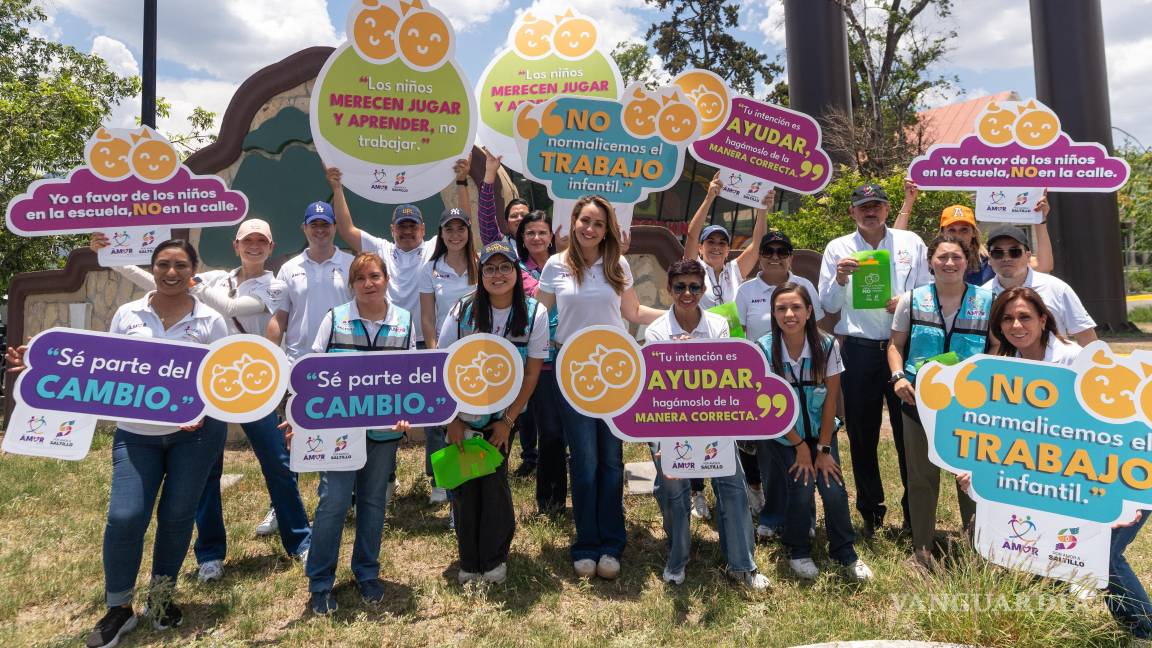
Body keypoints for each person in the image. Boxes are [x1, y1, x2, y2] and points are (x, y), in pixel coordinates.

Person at [12, 240, 230, 648]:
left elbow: (220, 382)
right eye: (163, 264)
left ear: (193, 271)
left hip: (196, 437)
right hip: (136, 436)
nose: (171, 272)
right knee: (126, 516)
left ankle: (162, 599)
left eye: (180, 265)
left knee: (178, 516)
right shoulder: (128, 314)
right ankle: (118, 608)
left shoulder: (210, 321)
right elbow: (104, 366)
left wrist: (202, 410)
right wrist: (44, 362)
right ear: (153, 268)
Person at [93, 220, 312, 582]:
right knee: (206, 475)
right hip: (208, 388)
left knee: (278, 465)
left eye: (261, 241)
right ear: (236, 245)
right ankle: (210, 553)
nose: (254, 246)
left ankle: (300, 541)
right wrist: (113, 259)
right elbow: (161, 283)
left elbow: (230, 308)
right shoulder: (214, 278)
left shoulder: (275, 286)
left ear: (271, 247)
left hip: (253, 388)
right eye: (247, 241)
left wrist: (190, 280)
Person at [536, 195, 662, 579]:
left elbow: (634, 314)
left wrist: (683, 319)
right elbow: (539, 316)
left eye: (598, 224)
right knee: (585, 461)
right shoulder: (555, 266)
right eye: (585, 221)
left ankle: (612, 543)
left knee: (611, 460)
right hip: (571, 372)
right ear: (573, 221)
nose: (590, 228)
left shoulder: (617, 263)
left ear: (607, 231)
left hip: (615, 374)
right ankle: (586, 543)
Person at [645, 259, 770, 590]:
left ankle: (743, 564)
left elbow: (727, 375)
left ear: (703, 289)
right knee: (673, 487)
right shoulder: (657, 330)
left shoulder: (718, 325)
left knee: (733, 484)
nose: (688, 293)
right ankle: (678, 556)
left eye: (695, 287)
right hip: (672, 424)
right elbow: (656, 390)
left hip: (714, 420)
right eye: (680, 287)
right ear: (669, 290)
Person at [301, 252, 413, 615]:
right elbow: (314, 371)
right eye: (361, 277)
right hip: (339, 433)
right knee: (333, 502)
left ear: (386, 280)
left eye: (375, 276)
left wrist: (405, 415)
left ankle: (367, 573)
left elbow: (410, 379)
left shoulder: (405, 321)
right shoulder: (334, 319)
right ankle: (320, 583)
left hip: (383, 434)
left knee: (373, 502)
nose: (369, 283)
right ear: (352, 284)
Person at [818, 183, 932, 537]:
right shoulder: (838, 248)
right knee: (863, 437)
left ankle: (915, 515)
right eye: (863, 206)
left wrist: (907, 301)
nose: (871, 211)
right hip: (859, 350)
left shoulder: (910, 242)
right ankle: (870, 513)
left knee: (910, 436)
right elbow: (828, 305)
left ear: (886, 208)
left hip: (904, 348)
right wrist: (839, 278)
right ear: (852, 212)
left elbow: (929, 291)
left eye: (877, 205)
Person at [327, 167, 447, 501]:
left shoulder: (434, 249)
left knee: (434, 414)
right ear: (392, 229)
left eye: (413, 226)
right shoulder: (380, 249)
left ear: (423, 229)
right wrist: (337, 186)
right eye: (402, 226)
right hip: (386, 341)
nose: (407, 232)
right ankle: (387, 479)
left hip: (425, 341)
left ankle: (438, 479)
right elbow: (348, 230)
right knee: (385, 411)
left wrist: (463, 181)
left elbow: (462, 224)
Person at [437, 240, 548, 583]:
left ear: (517, 272)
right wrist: (451, 420)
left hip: (504, 415)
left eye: (504, 267)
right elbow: (440, 365)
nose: (497, 274)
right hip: (462, 414)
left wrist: (508, 422)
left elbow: (531, 372)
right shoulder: (462, 309)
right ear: (481, 274)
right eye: (490, 268)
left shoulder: (534, 313)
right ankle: (469, 561)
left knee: (493, 480)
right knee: (466, 483)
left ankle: (495, 558)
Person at [756, 282, 873, 582]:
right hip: (784, 435)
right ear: (773, 313)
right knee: (803, 483)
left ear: (809, 311)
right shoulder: (763, 349)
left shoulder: (827, 345)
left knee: (833, 488)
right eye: (781, 308)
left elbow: (832, 399)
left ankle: (845, 551)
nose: (789, 314)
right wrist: (799, 446)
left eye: (796, 307)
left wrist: (821, 449)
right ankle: (798, 550)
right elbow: (768, 408)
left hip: (822, 434)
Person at [887, 235, 991, 569]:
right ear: (930, 261)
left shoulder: (987, 301)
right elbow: (894, 345)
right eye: (942, 257)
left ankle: (979, 549)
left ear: (968, 261)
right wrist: (898, 377)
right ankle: (922, 550)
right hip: (919, 403)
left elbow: (996, 349)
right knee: (921, 477)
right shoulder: (912, 300)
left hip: (969, 407)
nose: (949, 263)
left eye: (956, 257)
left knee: (970, 478)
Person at [733, 229, 822, 539]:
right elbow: (739, 335)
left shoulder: (805, 286)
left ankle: (806, 517)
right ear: (759, 256)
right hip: (764, 383)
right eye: (767, 251)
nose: (773, 257)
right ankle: (771, 516)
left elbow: (816, 331)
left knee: (805, 448)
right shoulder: (745, 291)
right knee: (770, 453)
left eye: (781, 251)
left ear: (791, 257)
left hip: (803, 379)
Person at [893, 179, 1054, 283]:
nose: (958, 235)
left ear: (973, 233)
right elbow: (898, 244)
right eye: (952, 230)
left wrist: (1040, 220)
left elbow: (1043, 266)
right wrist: (908, 202)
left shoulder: (991, 261)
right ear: (942, 233)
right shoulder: (933, 260)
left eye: (964, 229)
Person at [514, 211, 568, 511]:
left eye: (541, 232)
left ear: (551, 235)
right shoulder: (516, 270)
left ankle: (562, 494)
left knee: (564, 431)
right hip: (538, 361)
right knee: (549, 430)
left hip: (571, 357)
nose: (536, 238)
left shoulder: (566, 267)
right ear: (522, 238)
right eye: (530, 233)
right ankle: (549, 498)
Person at [980, 225, 1098, 345]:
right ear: (989, 259)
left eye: (1014, 252)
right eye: (997, 253)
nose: (1006, 258)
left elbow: (1087, 338)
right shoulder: (980, 297)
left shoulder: (1057, 288)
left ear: (1028, 256)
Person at [682, 172, 771, 310]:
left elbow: (758, 244)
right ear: (700, 248)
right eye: (710, 241)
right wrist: (709, 197)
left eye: (722, 243)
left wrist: (762, 208)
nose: (716, 246)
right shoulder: (693, 267)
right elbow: (692, 235)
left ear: (728, 250)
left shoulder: (734, 270)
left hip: (732, 332)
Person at [989, 287, 1082, 363]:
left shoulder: (1075, 358)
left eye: (1025, 317)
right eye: (1007, 319)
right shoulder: (1002, 365)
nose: (1016, 325)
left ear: (1042, 321)